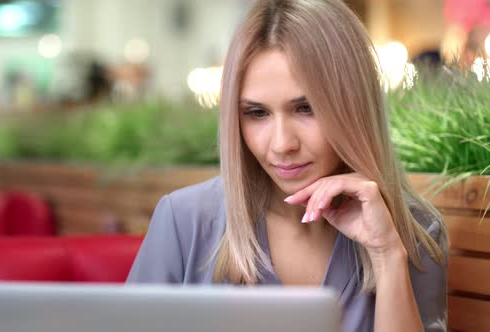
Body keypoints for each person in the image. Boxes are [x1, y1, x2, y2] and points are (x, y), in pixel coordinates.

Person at [126, 1, 447, 331]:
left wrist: (387, 256)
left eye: (306, 108)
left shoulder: (414, 233)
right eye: (257, 113)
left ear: (354, 107)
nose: (281, 144)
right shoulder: (185, 222)